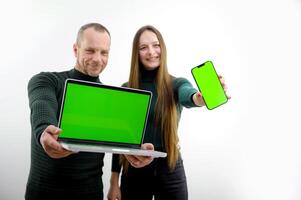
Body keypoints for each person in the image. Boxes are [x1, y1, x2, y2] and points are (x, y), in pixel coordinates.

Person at [25, 23, 153, 200]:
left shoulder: (111, 99)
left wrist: (135, 153)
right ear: (76, 49)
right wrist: (44, 131)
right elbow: (41, 105)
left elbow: (118, 139)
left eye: (104, 52)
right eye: (90, 50)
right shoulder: (46, 81)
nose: (97, 59)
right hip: (44, 193)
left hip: (90, 193)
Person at [107, 25, 229, 200]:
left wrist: (200, 98)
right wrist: (113, 183)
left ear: (162, 48)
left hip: (171, 167)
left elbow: (189, 95)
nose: (151, 52)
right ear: (136, 53)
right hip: (134, 170)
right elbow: (119, 142)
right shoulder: (127, 89)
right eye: (143, 47)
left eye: (156, 45)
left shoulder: (176, 84)